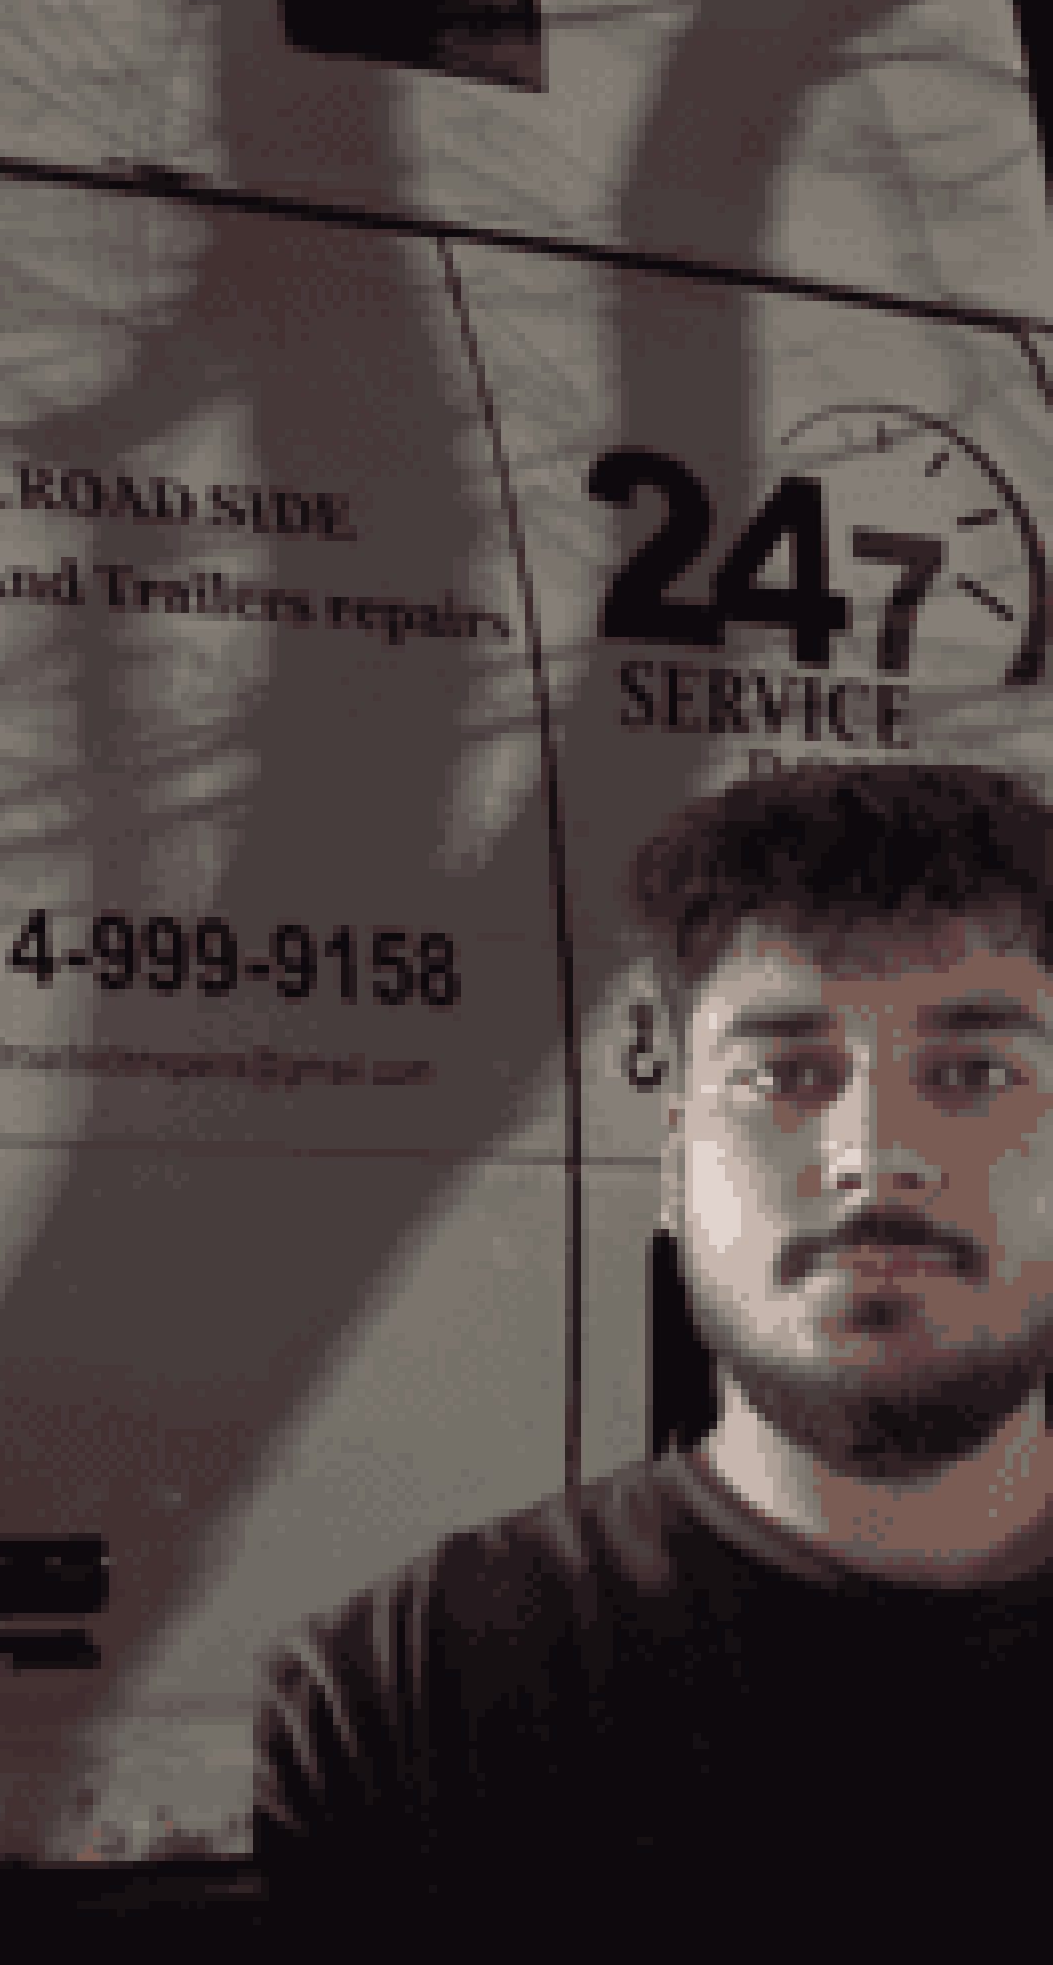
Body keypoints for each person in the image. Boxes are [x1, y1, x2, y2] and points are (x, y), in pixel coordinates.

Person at [252, 761, 1053, 1935]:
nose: (874, 1154)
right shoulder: (395, 1703)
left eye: (974, 1073)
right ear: (673, 1167)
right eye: (784, 1075)